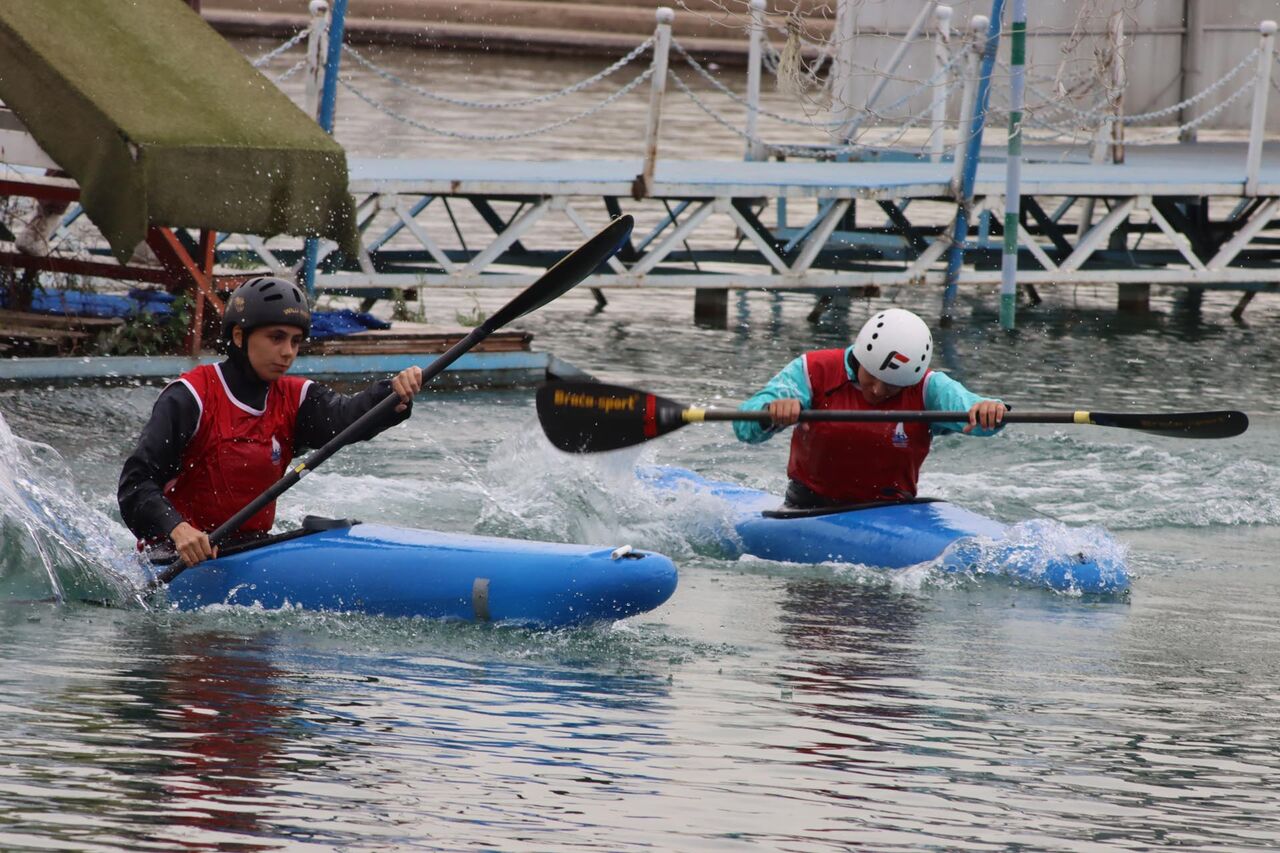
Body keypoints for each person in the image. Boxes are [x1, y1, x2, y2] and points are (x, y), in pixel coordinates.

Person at [118, 276, 423, 567]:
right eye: (276, 338)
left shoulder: (296, 398)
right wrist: (178, 529)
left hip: (251, 552)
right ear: (239, 336)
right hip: (178, 556)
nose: (288, 352)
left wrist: (392, 393)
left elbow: (348, 417)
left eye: (295, 341)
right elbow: (135, 484)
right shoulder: (190, 397)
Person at [734, 308, 1006, 508]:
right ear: (861, 358)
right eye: (872, 376)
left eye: (892, 386)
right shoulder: (812, 370)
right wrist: (771, 412)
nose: (877, 390)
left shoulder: (928, 387)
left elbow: (971, 408)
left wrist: (989, 410)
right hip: (808, 507)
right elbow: (744, 428)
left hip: (892, 513)